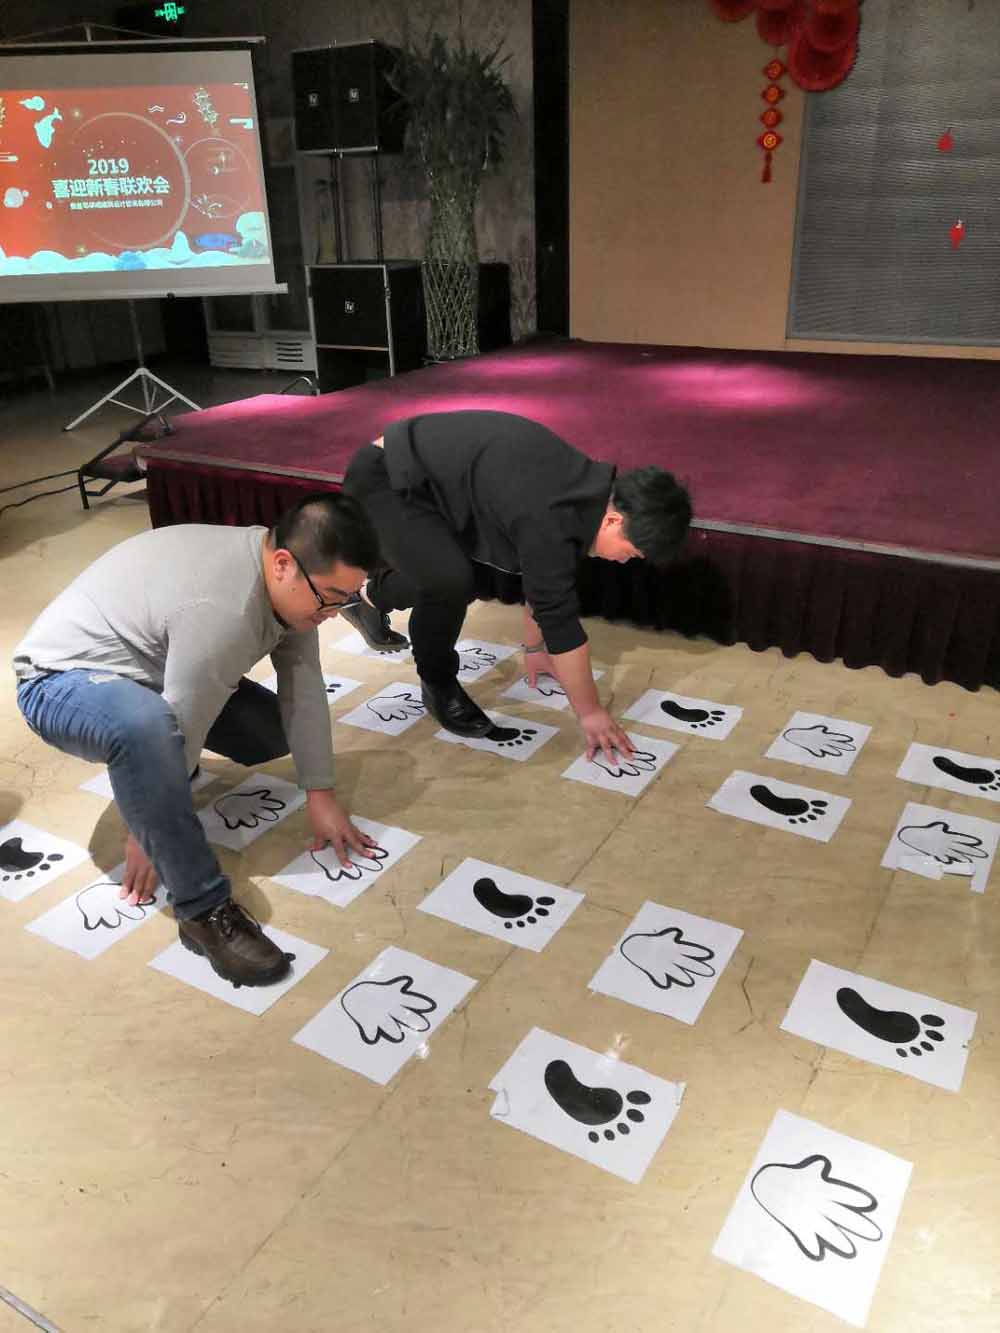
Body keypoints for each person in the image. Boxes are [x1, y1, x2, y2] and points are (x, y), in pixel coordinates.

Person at [13, 492, 380, 989]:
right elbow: (182, 718)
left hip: (149, 670)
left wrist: (321, 791)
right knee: (149, 728)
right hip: (60, 681)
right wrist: (148, 828)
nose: (335, 612)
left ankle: (153, 772)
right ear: (282, 564)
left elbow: (305, 685)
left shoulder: (291, 584)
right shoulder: (224, 607)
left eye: (347, 599)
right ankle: (202, 909)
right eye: (331, 598)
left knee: (267, 730)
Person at [341, 411, 692, 763]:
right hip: (386, 479)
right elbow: (559, 618)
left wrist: (534, 646)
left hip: (434, 487)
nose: (624, 561)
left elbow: (542, 579)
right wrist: (591, 713)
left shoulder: (582, 493)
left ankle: (368, 599)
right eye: (631, 553)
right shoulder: (553, 515)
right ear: (614, 521)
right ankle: (438, 683)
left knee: (464, 573)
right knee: (450, 580)